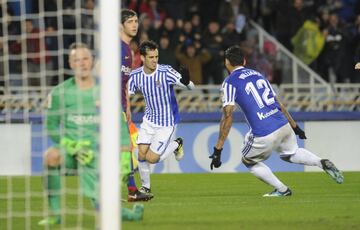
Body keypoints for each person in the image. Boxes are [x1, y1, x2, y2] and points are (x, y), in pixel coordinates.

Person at [209, 45, 344, 197]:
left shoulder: (229, 82)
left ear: (227, 62)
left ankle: (282, 190)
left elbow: (228, 115)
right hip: (282, 124)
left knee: (248, 160)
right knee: (292, 153)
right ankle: (321, 162)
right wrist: (295, 126)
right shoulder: (258, 75)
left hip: (263, 132)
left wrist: (218, 149)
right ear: (244, 61)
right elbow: (278, 103)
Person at [38, 43, 144, 226]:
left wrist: (126, 155)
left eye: (85, 58)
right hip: (72, 153)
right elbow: (52, 127)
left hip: (99, 154)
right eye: (76, 59)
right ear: (70, 64)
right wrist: (71, 146)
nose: (82, 63)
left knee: (101, 209)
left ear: (92, 61)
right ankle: (56, 214)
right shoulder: (60, 92)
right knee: (51, 156)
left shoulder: (106, 91)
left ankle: (127, 215)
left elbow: (120, 126)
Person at [128, 40, 194, 195]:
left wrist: (186, 80)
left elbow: (191, 87)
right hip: (149, 120)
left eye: (156, 56)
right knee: (140, 154)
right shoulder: (136, 75)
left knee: (151, 158)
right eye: (151, 57)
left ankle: (176, 144)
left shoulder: (166, 72)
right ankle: (146, 187)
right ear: (142, 58)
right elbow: (126, 94)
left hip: (167, 122)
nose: (155, 60)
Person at [120, 9, 153, 202]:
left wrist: (128, 107)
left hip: (120, 108)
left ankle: (132, 191)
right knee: (124, 148)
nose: (135, 24)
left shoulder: (129, 50)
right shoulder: (114, 47)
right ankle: (131, 190)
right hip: (108, 107)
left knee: (125, 148)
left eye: (136, 21)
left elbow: (124, 83)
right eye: (130, 21)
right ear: (120, 25)